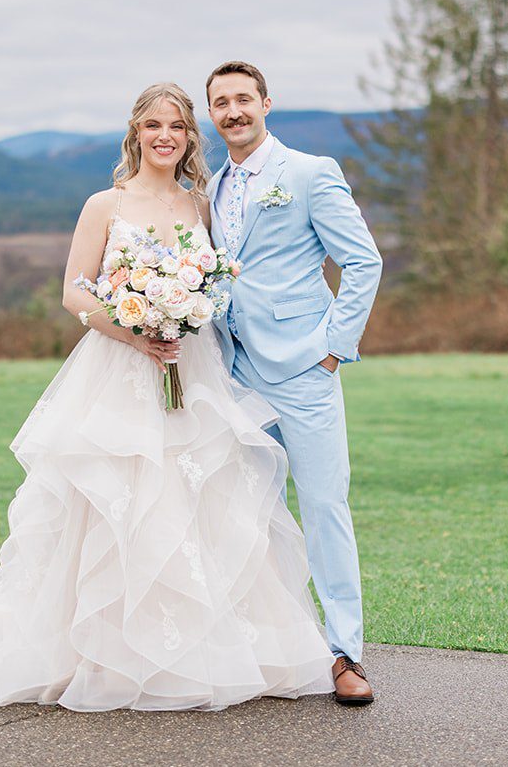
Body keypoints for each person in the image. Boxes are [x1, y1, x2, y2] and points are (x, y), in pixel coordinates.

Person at [0, 82, 337, 711]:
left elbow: (215, 284)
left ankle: (204, 650)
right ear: (135, 132)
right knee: (117, 503)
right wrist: (136, 329)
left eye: (178, 127)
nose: (166, 137)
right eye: (154, 125)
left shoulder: (201, 206)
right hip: (121, 372)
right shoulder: (105, 203)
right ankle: (105, 653)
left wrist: (182, 316)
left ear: (189, 139)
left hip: (191, 371)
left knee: (198, 499)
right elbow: (76, 292)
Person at [205, 60, 383, 705]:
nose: (233, 111)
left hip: (305, 372)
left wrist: (335, 349)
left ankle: (345, 654)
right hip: (235, 372)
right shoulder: (214, 186)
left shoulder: (308, 173)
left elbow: (363, 260)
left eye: (243, 99)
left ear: (266, 103)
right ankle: (264, 644)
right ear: (213, 114)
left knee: (326, 508)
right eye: (221, 102)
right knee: (245, 512)